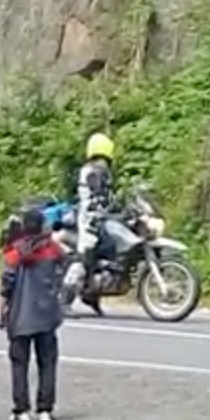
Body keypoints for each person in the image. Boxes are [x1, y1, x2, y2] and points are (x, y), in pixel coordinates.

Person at [0, 206, 65, 420]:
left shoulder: (14, 254)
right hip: (46, 316)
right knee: (47, 363)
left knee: (19, 364)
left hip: (20, 317)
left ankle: (22, 411)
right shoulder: (52, 249)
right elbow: (64, 266)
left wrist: (1, 314)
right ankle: (45, 410)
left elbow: (5, 288)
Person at [62, 132, 117, 316]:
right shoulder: (91, 171)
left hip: (99, 220)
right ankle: (64, 300)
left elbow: (109, 198)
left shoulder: (101, 171)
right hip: (89, 222)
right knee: (84, 259)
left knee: (106, 256)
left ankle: (92, 294)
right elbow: (97, 197)